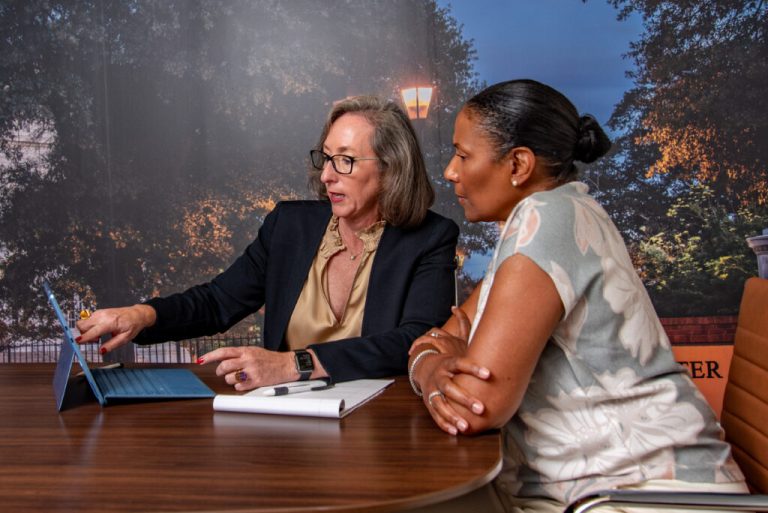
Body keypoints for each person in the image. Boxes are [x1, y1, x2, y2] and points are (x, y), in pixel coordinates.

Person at [407, 79, 747, 512]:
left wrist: (434, 367)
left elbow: (471, 408)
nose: (451, 172)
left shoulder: (546, 221)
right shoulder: (549, 214)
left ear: (518, 164)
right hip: (597, 487)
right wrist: (434, 365)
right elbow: (444, 335)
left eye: (463, 155)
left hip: (643, 495)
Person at [76, 95, 459, 389]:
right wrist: (143, 315)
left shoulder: (431, 238)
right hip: (284, 420)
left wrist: (294, 364)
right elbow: (217, 301)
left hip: (382, 426)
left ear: (391, 169)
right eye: (325, 158)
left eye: (345, 160)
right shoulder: (288, 226)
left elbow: (414, 341)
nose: (326, 176)